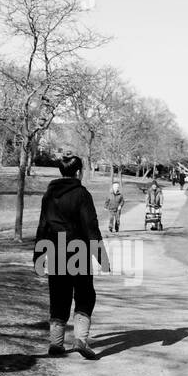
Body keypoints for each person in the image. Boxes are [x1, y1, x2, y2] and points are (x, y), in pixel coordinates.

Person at [33, 154, 111, 360]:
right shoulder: (82, 194)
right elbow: (91, 227)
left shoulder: (49, 194)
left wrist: (38, 257)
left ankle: (56, 343)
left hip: (55, 250)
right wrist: (102, 258)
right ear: (78, 172)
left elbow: (43, 226)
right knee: (85, 295)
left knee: (58, 295)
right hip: (79, 251)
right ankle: (80, 340)